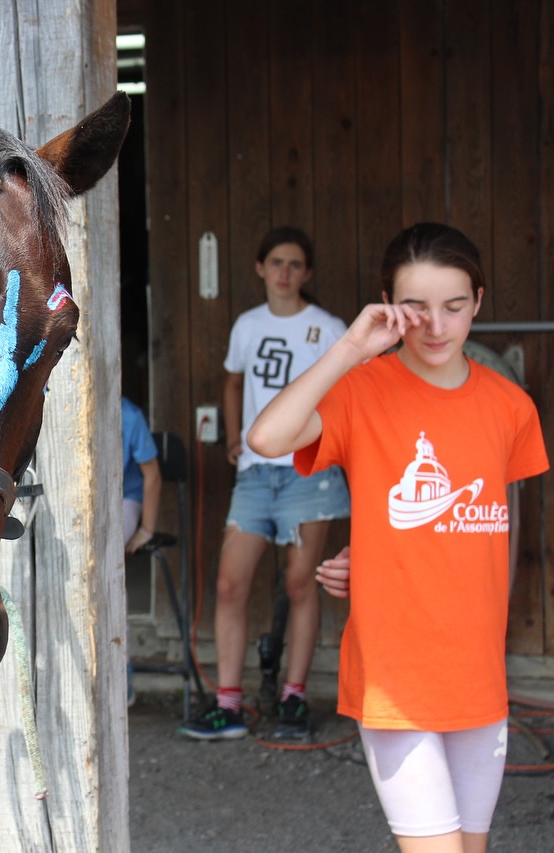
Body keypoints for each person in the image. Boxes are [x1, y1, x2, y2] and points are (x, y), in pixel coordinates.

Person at [246, 222, 548, 853]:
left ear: (480, 302)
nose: (436, 326)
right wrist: (351, 350)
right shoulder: (363, 390)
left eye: (455, 306)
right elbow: (268, 439)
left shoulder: (511, 406)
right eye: (416, 308)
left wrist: (389, 555)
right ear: (387, 304)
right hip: (397, 674)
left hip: (478, 672)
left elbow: (489, 534)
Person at [179, 227, 350, 742]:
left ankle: (294, 697)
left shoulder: (329, 327)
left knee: (301, 583)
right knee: (231, 584)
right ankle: (229, 703)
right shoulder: (248, 325)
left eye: (296, 265)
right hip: (255, 471)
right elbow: (234, 381)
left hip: (311, 471)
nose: (284, 273)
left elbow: (349, 394)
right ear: (260, 268)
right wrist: (236, 436)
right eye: (276, 262)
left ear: (308, 273)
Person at [122, 395, 160, 708]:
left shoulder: (129, 414)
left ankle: (123, 675)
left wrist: (146, 529)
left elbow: (152, 474)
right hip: (82, 499)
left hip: (124, 499)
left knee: (102, 572)